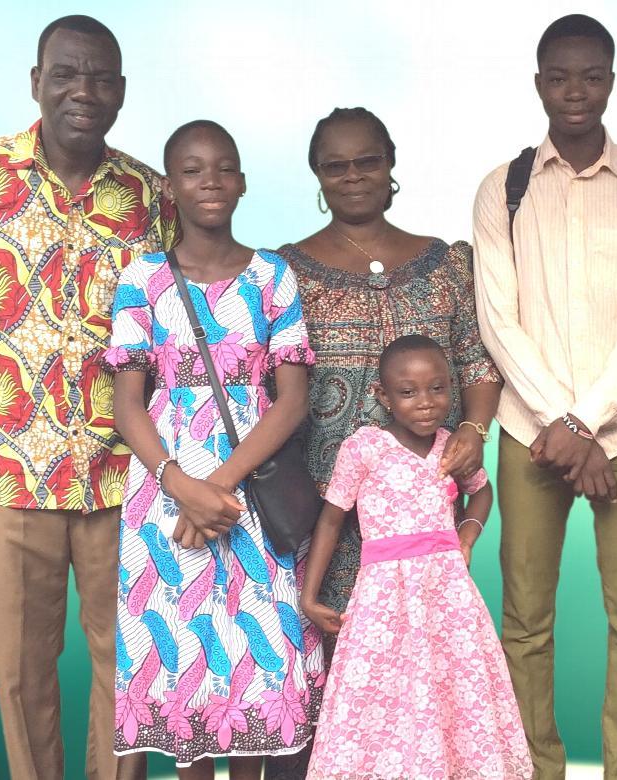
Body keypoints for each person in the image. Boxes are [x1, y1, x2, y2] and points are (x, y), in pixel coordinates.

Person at [0, 15, 174, 780]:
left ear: (121, 91)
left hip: (122, 475)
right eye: (66, 74)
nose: (83, 91)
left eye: (101, 78)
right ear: (36, 83)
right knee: (21, 675)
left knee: (129, 665)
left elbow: (173, 337)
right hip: (4, 471)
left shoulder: (152, 195)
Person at [471, 14, 617, 778]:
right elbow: (498, 320)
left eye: (591, 77)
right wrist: (561, 423)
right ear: (539, 84)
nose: (575, 92)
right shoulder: (505, 187)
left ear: (611, 82)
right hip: (530, 432)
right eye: (559, 77)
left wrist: (584, 423)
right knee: (525, 621)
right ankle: (539, 769)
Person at [266, 106, 502, 779]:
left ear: (391, 163)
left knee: (422, 685)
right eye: (335, 166)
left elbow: (478, 366)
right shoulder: (285, 271)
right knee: (327, 677)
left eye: (366, 161)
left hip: (417, 524)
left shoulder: (445, 263)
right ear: (317, 175)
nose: (352, 176)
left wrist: (472, 430)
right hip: (319, 512)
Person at [104, 120, 325, 778]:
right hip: (166, 496)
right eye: (193, 170)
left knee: (254, 667)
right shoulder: (142, 279)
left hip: (248, 486)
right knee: (186, 668)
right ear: (169, 188)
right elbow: (127, 404)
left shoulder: (272, 276)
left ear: (243, 183)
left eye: (225, 168)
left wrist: (218, 488)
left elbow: (292, 400)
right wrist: (181, 485)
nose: (211, 181)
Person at [298, 335, 532, 779]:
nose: (426, 402)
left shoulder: (454, 447)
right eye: (408, 392)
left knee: (454, 689)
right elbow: (330, 520)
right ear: (383, 396)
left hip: (448, 597)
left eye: (438, 388)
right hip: (383, 599)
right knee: (381, 693)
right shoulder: (364, 448)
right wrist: (309, 597)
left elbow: (482, 493)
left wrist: (466, 536)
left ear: (452, 389)